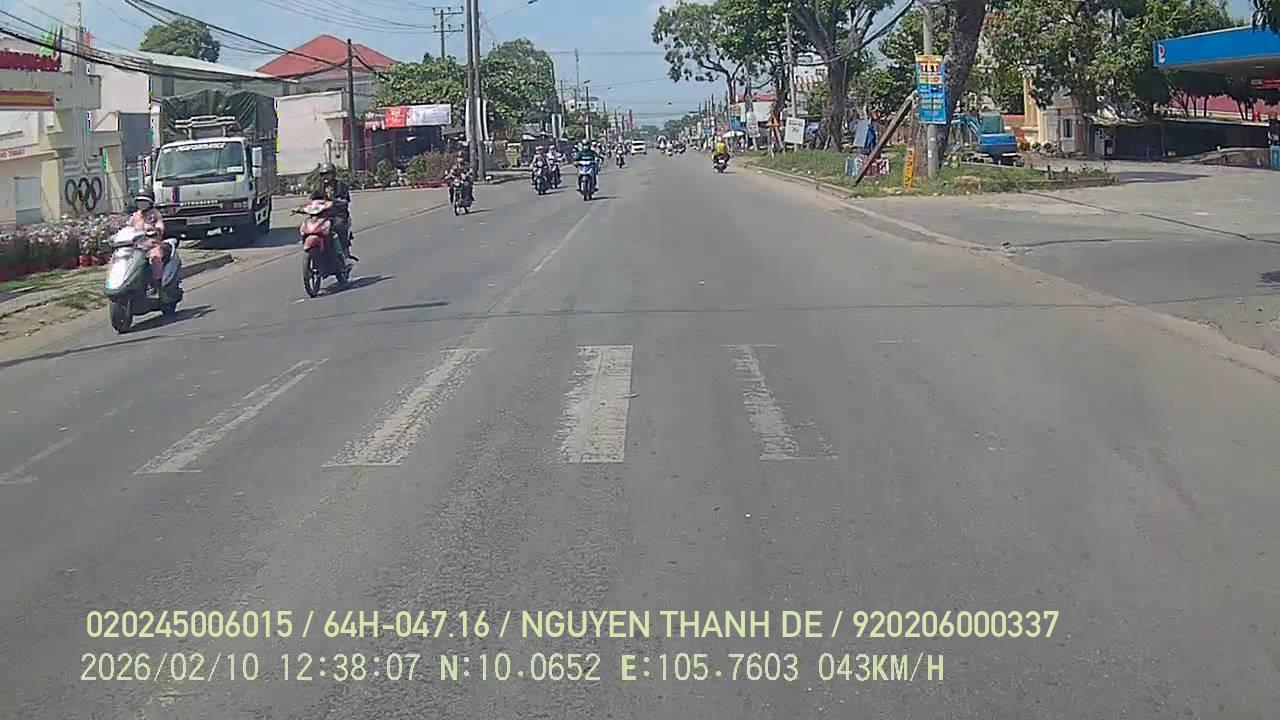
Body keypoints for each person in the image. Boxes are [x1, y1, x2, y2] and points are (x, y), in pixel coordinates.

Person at [310, 163, 356, 263]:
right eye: (323, 174)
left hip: (338, 215)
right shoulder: (319, 186)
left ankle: (344, 251)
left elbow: (345, 201)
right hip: (322, 215)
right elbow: (313, 200)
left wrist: (333, 199)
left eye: (328, 174)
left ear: (333, 174)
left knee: (339, 226)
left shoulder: (340, 185)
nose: (325, 177)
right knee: (311, 227)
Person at [128, 189, 166, 293]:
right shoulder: (135, 216)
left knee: (155, 257)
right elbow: (128, 228)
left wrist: (156, 229)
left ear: (150, 202)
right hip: (136, 247)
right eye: (139, 201)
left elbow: (160, 226)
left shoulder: (155, 214)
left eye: (144, 201)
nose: (141, 204)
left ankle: (157, 283)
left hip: (151, 245)